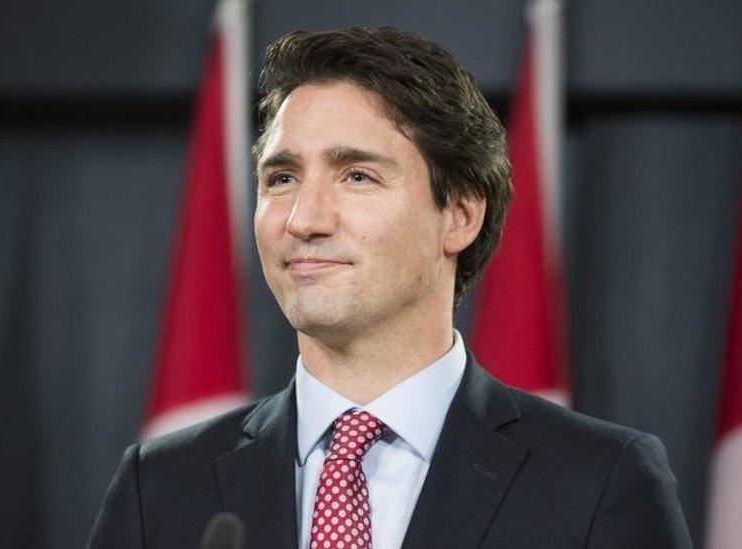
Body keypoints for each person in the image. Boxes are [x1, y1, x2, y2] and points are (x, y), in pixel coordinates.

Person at [87, 27, 692, 549]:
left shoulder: (598, 480)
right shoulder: (162, 485)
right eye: (281, 177)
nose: (303, 218)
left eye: (357, 175)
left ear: (458, 214)